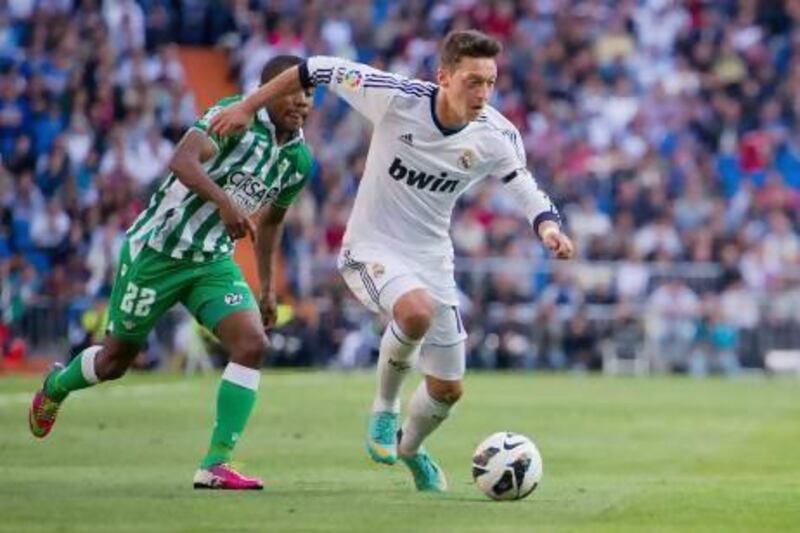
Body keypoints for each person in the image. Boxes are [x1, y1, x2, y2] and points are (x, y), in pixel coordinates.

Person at [210, 30, 575, 493]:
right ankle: (384, 409)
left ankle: (410, 449)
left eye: (490, 82)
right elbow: (314, 66)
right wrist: (246, 106)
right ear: (443, 76)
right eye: (472, 81)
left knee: (448, 390)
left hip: (432, 258)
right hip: (370, 247)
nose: (482, 93)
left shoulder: (497, 134)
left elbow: (524, 186)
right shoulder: (396, 98)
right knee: (415, 311)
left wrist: (548, 227)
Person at [28, 55, 315, 491]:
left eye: (308, 93)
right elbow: (182, 161)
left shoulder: (298, 160)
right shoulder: (234, 117)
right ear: (267, 90)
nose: (301, 101)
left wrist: (269, 288)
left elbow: (272, 223)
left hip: (211, 262)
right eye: (291, 91)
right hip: (157, 252)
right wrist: (223, 201)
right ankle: (56, 384)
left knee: (252, 343)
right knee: (114, 361)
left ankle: (215, 464)